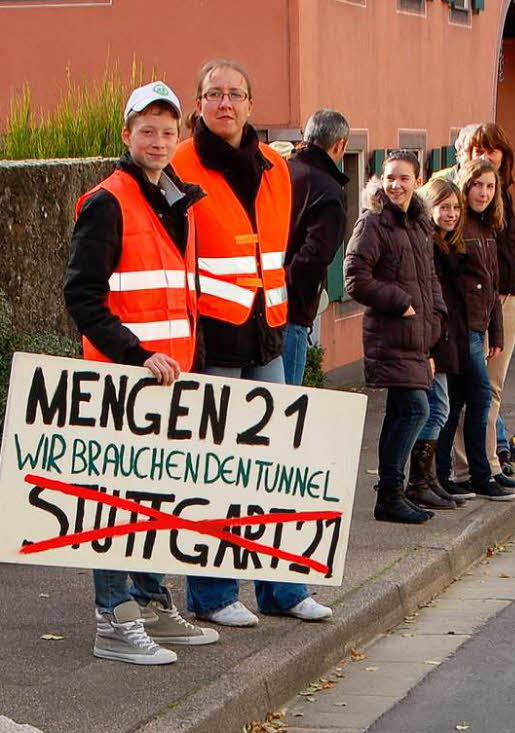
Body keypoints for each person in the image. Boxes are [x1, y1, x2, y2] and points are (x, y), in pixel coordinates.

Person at [65, 81, 219, 664]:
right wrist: (135, 356)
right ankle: (114, 616)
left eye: (167, 131)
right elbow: (82, 297)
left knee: (159, 498)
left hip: (170, 382)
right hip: (121, 380)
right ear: (127, 135)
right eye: (146, 130)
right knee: (114, 502)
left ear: (179, 139)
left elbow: (181, 298)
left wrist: (192, 367)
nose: (158, 141)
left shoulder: (177, 200)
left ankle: (152, 602)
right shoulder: (107, 201)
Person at [172, 59, 331, 624]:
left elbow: (274, 251)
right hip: (213, 339)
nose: (224, 103)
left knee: (275, 468)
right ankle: (213, 595)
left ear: (250, 105)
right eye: (213, 94)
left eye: (235, 94)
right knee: (216, 472)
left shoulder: (273, 166)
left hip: (267, 333)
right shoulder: (177, 165)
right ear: (198, 102)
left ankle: (283, 588)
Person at [345, 150, 447, 523]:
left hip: (417, 337)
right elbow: (355, 277)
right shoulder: (373, 223)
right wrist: (400, 302)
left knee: (404, 412)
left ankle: (391, 494)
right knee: (416, 410)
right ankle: (390, 491)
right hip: (390, 335)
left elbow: (429, 277)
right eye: (390, 178)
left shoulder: (419, 223)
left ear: (417, 181)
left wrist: (435, 319)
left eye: (404, 178)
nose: (396, 185)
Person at [436, 158, 515, 501]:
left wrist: (495, 334)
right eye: (477, 185)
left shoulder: (487, 227)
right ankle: (476, 474)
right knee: (474, 397)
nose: (483, 192)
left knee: (457, 402)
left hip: (478, 327)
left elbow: (493, 284)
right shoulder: (460, 227)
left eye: (490, 186)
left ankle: (454, 474)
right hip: (461, 327)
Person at [452, 123, 515, 488]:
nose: (486, 155)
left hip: (504, 299)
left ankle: (490, 462)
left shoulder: (501, 196)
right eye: (480, 148)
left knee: (493, 389)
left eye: (493, 149)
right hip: (475, 308)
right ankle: (472, 468)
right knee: (476, 392)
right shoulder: (463, 207)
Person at [404, 177, 466, 512]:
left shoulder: (447, 244)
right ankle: (418, 482)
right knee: (434, 408)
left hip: (444, 337)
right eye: (444, 207)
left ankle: (427, 480)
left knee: (439, 408)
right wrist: (428, 346)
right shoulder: (428, 242)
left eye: (456, 208)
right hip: (431, 339)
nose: (451, 214)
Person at [282, 109, 350, 386]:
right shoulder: (328, 190)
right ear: (340, 145)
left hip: (257, 305)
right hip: (293, 309)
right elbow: (316, 256)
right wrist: (287, 288)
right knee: (285, 403)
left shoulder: (281, 171)